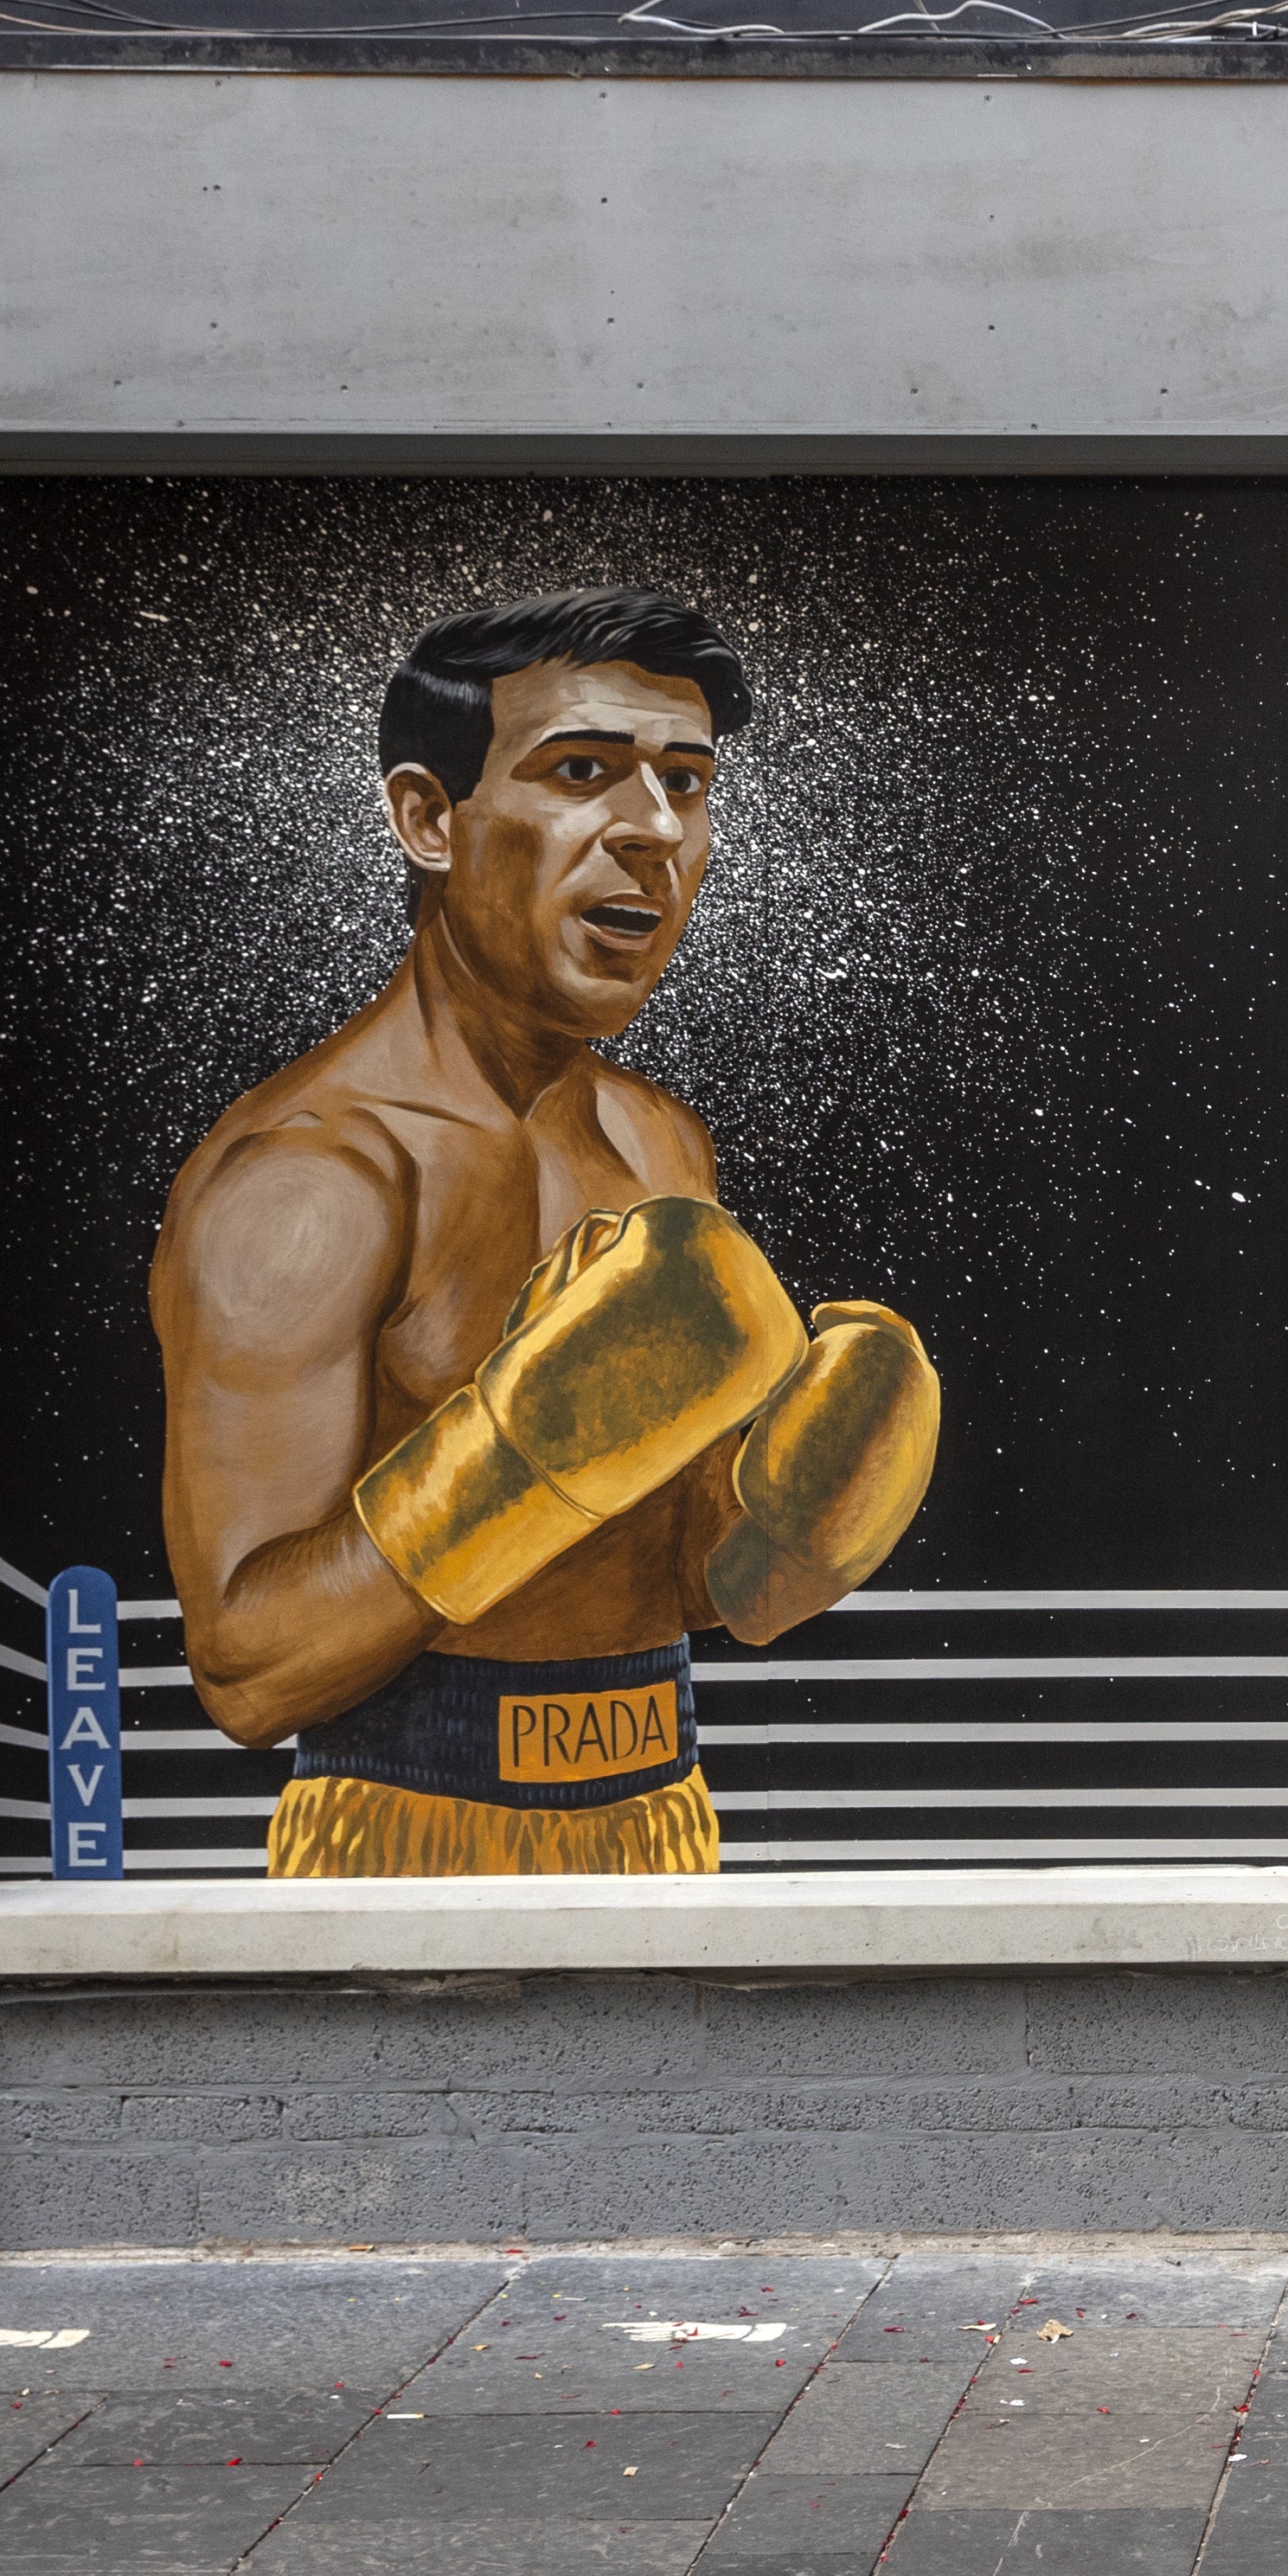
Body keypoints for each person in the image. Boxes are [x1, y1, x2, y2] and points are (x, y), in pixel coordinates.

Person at [148, 585, 942, 1879]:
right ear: (427, 818)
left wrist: (789, 1533)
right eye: (583, 772)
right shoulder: (312, 1182)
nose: (651, 831)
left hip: (663, 1811)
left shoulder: (658, 1147)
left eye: (687, 785)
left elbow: (658, 1577)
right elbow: (246, 1671)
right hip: (401, 1834)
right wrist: (512, 1451)